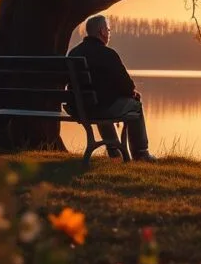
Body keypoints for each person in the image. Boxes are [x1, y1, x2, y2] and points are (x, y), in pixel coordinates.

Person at [67, 15, 157, 162]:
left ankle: (114, 152)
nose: (109, 33)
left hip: (78, 109)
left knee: (101, 102)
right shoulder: (108, 54)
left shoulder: (74, 54)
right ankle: (141, 153)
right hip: (100, 108)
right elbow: (128, 86)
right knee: (135, 105)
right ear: (102, 31)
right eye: (108, 30)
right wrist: (131, 94)